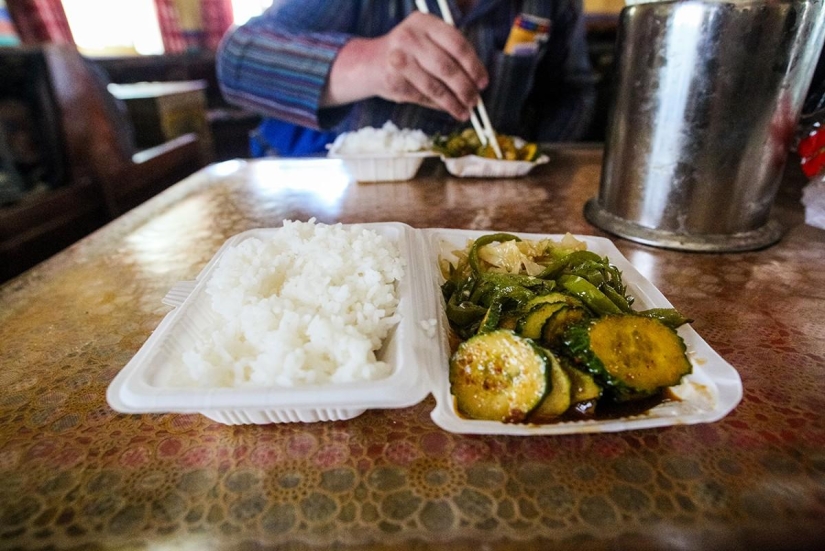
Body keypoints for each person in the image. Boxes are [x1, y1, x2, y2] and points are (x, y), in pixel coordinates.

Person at [217, 0, 596, 157]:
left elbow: (572, 93)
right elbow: (237, 59)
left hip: (498, 200)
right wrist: (371, 61)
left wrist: (525, 162)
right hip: (367, 206)